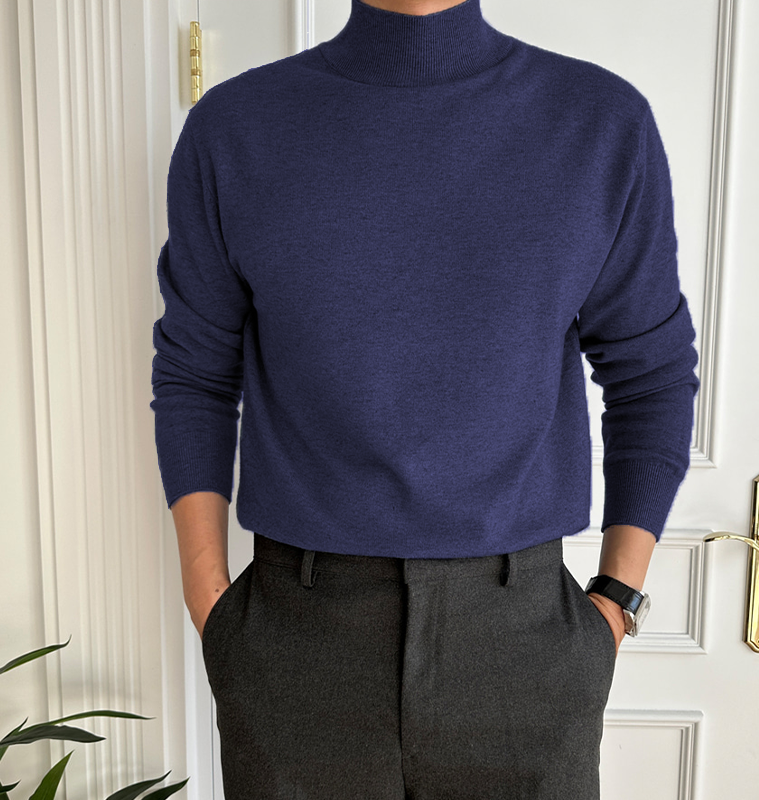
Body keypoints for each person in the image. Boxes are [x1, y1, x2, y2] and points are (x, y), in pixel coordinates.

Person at [150, 0, 699, 796]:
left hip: (523, 643)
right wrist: (213, 607)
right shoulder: (235, 128)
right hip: (297, 642)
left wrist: (616, 599)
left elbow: (651, 373)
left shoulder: (599, 124)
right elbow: (195, 371)